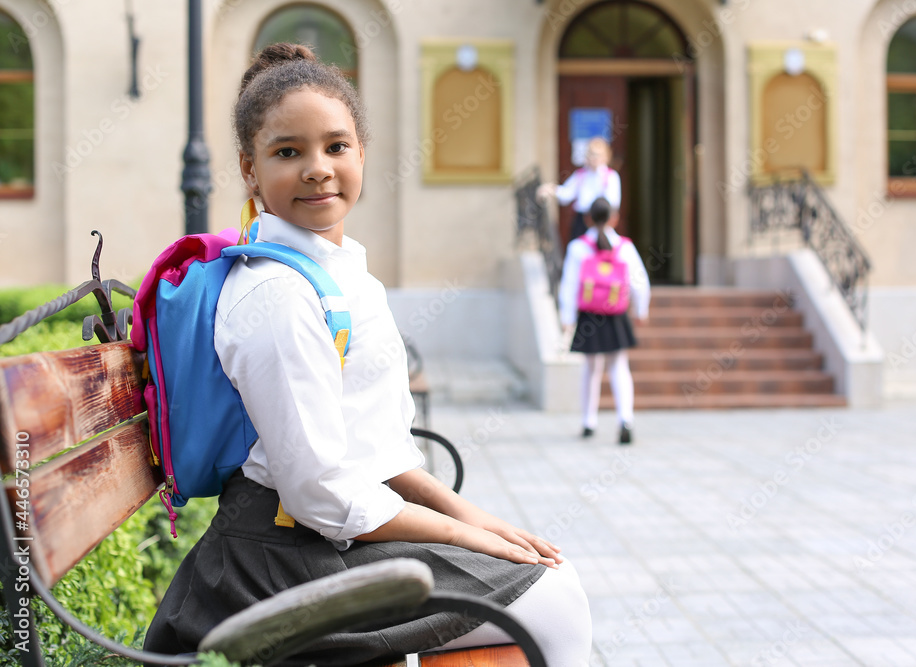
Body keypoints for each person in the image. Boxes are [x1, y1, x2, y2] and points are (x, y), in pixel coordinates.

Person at [143, 43, 592, 666]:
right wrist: (464, 535)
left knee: (549, 583)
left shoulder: (340, 272)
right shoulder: (276, 293)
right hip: (275, 570)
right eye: (287, 152)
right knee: (555, 602)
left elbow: (378, 448)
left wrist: (477, 520)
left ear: (362, 153)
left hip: (323, 545)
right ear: (249, 169)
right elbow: (319, 492)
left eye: (335, 146)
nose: (317, 168)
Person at [558, 197, 650, 445]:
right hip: (616, 313)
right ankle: (625, 419)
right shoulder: (624, 247)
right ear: (614, 218)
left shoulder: (578, 247)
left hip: (590, 315)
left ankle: (589, 422)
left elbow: (569, 284)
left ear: (588, 218)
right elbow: (640, 281)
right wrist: (641, 310)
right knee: (619, 367)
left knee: (590, 369)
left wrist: (567, 317)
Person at [537, 136, 621, 242]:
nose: (594, 158)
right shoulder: (581, 175)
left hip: (601, 221)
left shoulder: (611, 177)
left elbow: (613, 202)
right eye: (591, 154)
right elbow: (567, 194)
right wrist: (552, 190)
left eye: (598, 155)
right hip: (582, 220)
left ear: (605, 157)